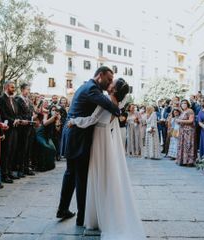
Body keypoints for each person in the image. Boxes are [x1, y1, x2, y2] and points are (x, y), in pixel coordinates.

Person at [68, 78, 145, 240]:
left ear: (115, 90)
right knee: (103, 175)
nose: (109, 84)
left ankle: (97, 215)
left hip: (98, 138)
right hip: (105, 139)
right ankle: (102, 213)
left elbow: (92, 120)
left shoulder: (107, 100)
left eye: (112, 83)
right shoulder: (117, 103)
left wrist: (74, 121)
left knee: (97, 174)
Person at [56, 66, 120, 226]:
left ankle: (63, 209)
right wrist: (114, 95)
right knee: (80, 177)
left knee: (71, 174)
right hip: (77, 136)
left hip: (73, 133)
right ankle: (82, 217)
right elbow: (112, 107)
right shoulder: (92, 88)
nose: (110, 83)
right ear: (100, 75)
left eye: (112, 81)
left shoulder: (88, 86)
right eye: (109, 79)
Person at [0, 81, 21, 183]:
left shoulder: (14, 100)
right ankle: (4, 174)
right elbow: (2, 115)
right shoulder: (1, 99)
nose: (14, 89)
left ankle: (10, 171)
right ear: (6, 87)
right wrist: (12, 121)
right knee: (6, 152)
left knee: (12, 151)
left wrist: (17, 119)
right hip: (6, 129)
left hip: (15, 129)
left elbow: (17, 113)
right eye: (12, 87)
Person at [15, 83, 35, 177]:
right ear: (22, 89)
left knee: (28, 148)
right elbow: (17, 113)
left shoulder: (29, 100)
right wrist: (22, 120)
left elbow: (31, 111)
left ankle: (27, 167)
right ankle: (20, 169)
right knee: (22, 149)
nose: (29, 91)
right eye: (27, 89)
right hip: (22, 127)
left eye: (29, 89)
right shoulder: (18, 99)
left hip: (30, 126)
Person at [176, 99, 196, 166]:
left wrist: (180, 121)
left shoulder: (190, 110)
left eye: (185, 103)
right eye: (182, 103)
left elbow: (191, 120)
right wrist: (178, 121)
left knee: (188, 145)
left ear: (187, 104)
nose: (183, 104)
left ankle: (189, 161)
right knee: (183, 145)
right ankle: (183, 160)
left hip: (188, 131)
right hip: (182, 130)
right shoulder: (183, 111)